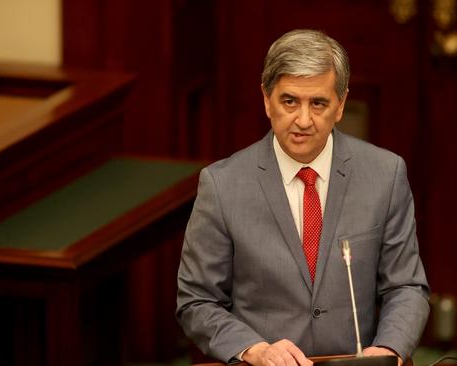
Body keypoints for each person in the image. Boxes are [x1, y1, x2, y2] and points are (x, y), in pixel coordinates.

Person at [176, 29, 430, 366]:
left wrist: (389, 349)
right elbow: (196, 301)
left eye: (319, 103)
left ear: (340, 105)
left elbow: (407, 287)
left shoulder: (385, 175)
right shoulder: (222, 185)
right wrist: (255, 349)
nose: (304, 120)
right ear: (267, 100)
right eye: (290, 101)